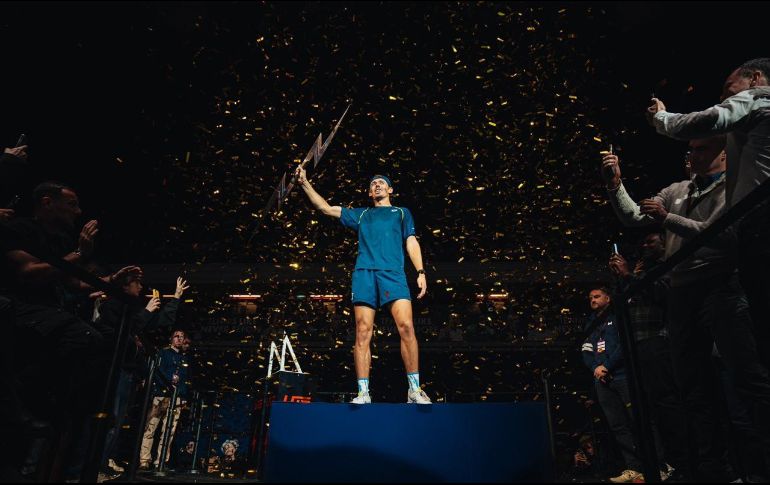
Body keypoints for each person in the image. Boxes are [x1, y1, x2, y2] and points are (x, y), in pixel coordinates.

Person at [602, 138, 770, 481]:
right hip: (682, 294)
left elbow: (724, 236)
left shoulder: (736, 185)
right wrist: (615, 184)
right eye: (689, 149)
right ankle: (715, 471)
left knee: (747, 378)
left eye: (700, 149)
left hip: (721, 285)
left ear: (724, 153)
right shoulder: (678, 189)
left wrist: (668, 219)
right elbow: (634, 215)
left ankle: (760, 466)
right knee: (693, 387)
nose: (690, 155)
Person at [646, 58, 770, 372]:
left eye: (729, 90)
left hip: (760, 226)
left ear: (755, 78)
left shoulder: (758, 97)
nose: (724, 99)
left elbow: (701, 122)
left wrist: (661, 117)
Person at [295, 167, 430, 404]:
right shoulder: (361, 215)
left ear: (390, 189)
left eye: (381, 182)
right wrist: (304, 182)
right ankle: (363, 393)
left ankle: (414, 390)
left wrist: (420, 271)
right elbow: (324, 208)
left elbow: (411, 241)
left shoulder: (401, 213)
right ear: (369, 193)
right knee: (363, 332)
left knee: (407, 326)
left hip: (393, 274)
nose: (376, 184)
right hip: (365, 274)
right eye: (373, 183)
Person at [96, 275, 189, 478]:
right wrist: (146, 312)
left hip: (131, 374)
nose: (141, 287)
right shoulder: (115, 306)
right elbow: (123, 331)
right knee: (112, 420)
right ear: (125, 286)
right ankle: (97, 463)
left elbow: (160, 322)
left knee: (119, 421)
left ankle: (104, 460)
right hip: (117, 371)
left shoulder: (134, 309)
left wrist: (176, 298)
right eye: (136, 283)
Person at [609, 233, 684, 479]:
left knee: (666, 403)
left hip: (656, 341)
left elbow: (660, 294)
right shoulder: (640, 271)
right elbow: (624, 305)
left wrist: (630, 275)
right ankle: (658, 465)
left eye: (650, 241)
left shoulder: (666, 266)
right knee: (645, 409)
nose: (644, 245)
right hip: (636, 345)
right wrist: (625, 278)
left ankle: (681, 463)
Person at [581, 287, 644, 483]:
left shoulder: (618, 317)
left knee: (639, 420)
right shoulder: (591, 324)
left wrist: (606, 366)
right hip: (601, 380)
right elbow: (586, 350)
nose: (593, 299)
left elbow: (624, 345)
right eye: (590, 297)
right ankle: (634, 468)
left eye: (597, 296)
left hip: (622, 376)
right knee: (617, 425)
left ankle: (657, 464)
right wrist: (596, 368)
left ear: (608, 298)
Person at [139, 329, 191, 470]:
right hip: (161, 395)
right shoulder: (163, 353)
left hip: (177, 398)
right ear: (171, 339)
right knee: (151, 428)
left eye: (182, 336)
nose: (180, 339)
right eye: (176, 336)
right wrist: (168, 381)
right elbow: (157, 372)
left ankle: (161, 461)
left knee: (169, 431)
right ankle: (144, 460)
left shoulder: (184, 358)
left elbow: (184, 379)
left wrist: (183, 396)